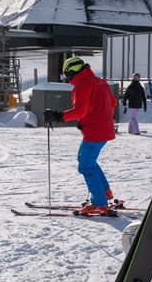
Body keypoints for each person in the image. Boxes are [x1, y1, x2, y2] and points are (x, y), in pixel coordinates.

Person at [43, 57, 118, 215]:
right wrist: (99, 118)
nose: (66, 78)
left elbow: (80, 111)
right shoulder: (99, 82)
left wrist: (57, 116)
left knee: (85, 164)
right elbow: (112, 102)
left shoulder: (82, 85)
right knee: (88, 160)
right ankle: (104, 194)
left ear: (72, 71)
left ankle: (99, 203)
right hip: (104, 129)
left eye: (66, 74)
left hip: (95, 131)